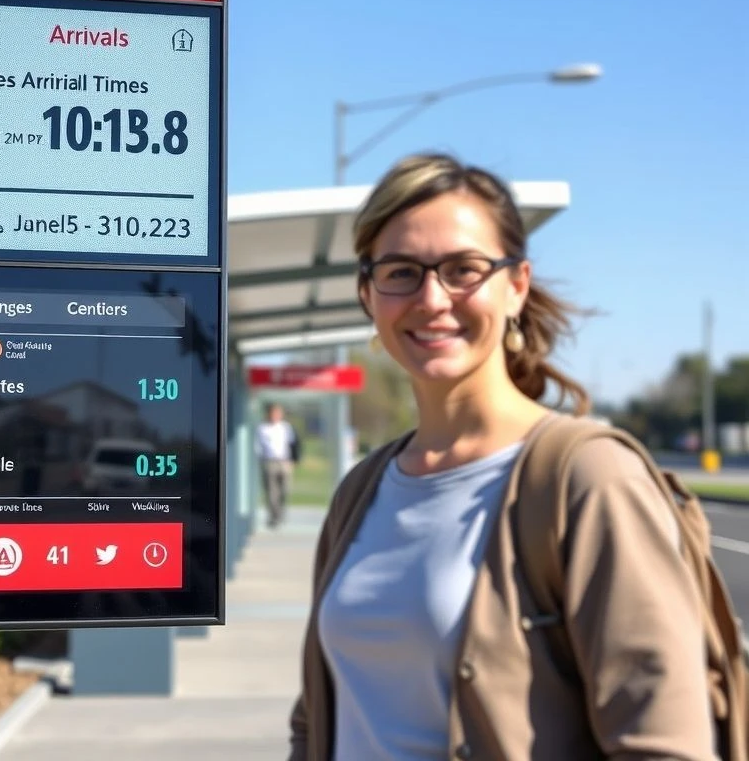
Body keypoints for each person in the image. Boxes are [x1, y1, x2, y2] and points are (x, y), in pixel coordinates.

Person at [289, 152, 717, 761]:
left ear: (516, 286)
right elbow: (317, 720)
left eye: (464, 269)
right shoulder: (362, 490)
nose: (433, 298)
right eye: (402, 271)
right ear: (368, 294)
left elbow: (664, 744)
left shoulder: (588, 479)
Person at [256, 402, 298, 528]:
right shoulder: (262, 428)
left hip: (284, 461)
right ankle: (274, 516)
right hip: (270, 461)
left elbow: (292, 444)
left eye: (278, 413)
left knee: (284, 489)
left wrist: (292, 460)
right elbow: (258, 446)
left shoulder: (286, 427)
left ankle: (281, 513)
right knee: (271, 491)